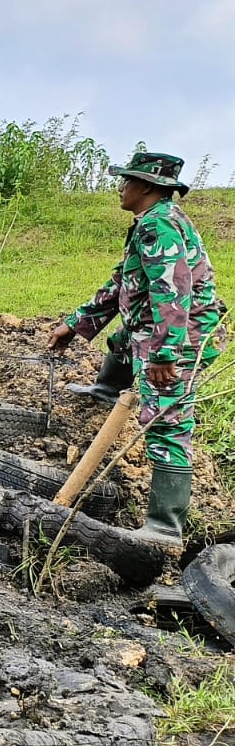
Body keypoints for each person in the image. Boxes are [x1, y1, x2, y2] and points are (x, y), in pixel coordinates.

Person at [49, 150, 225, 549]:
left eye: (126, 181)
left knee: (166, 420)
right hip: (157, 325)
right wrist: (76, 324)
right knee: (126, 341)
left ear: (145, 187)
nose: (120, 188)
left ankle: (165, 526)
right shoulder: (149, 223)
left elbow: (172, 293)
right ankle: (108, 390)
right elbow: (121, 285)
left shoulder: (159, 226)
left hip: (180, 335)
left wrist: (165, 356)